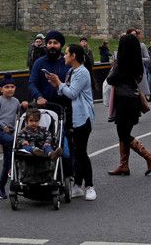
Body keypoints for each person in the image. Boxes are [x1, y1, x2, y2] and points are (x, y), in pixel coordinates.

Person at [46, 43, 96, 201]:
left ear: (74, 56)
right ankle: (77, 186)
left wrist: (59, 83)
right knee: (77, 153)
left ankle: (89, 186)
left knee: (81, 153)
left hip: (82, 117)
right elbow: (66, 92)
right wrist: (57, 84)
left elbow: (72, 93)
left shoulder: (82, 72)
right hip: (72, 117)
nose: (64, 56)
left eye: (67, 53)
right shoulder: (72, 71)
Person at [106, 33, 151, 177]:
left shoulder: (121, 64)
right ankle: (124, 165)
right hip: (134, 100)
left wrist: (114, 66)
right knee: (125, 133)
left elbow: (110, 79)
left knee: (123, 134)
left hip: (123, 101)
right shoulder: (137, 64)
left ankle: (149, 157)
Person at [0, 74, 24, 199]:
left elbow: (20, 115)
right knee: (11, 142)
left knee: (8, 158)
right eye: (7, 87)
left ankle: (1, 187)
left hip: (10, 134)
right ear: (1, 89)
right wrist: (3, 126)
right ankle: (10, 168)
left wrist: (24, 106)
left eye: (12, 87)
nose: (10, 89)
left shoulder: (16, 101)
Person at [29, 31, 72, 113]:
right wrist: (39, 97)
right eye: (49, 43)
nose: (52, 46)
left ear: (61, 45)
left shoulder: (68, 62)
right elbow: (32, 83)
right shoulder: (39, 62)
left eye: (55, 43)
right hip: (44, 107)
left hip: (65, 107)